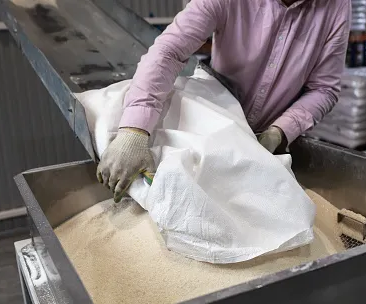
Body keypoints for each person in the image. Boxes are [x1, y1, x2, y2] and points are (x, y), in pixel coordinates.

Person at [97, 0, 352, 202]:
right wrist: (134, 130)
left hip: (268, 146)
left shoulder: (335, 7)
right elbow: (170, 51)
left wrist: (279, 131)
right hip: (213, 126)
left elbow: (324, 89)